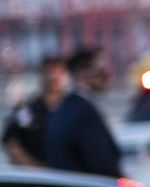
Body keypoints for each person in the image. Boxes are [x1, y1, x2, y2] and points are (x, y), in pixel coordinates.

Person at [44, 48, 125, 179]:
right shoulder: (83, 113)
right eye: (101, 71)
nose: (108, 76)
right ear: (81, 73)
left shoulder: (65, 107)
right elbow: (101, 163)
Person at [3, 55, 70, 167]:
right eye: (48, 71)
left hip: (74, 177)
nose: (52, 77)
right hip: (37, 178)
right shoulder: (27, 109)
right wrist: (38, 169)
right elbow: (12, 144)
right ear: (40, 75)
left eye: (57, 72)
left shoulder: (75, 108)